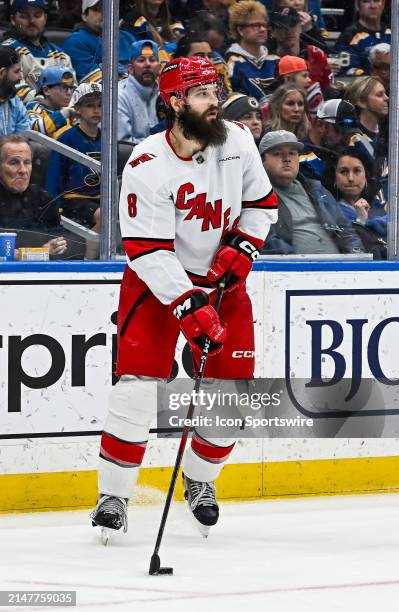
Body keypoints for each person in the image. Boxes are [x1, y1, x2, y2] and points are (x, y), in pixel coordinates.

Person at [90, 56, 278, 535]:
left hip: (222, 283)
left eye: (215, 91)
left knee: (232, 397)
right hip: (156, 287)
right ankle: (112, 496)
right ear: (175, 102)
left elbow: (261, 206)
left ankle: (198, 481)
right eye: (201, 94)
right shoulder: (147, 163)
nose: (214, 102)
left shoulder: (236, 140)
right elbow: (146, 250)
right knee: (136, 390)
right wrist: (189, 304)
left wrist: (242, 249)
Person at [260, 129, 364, 254]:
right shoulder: (257, 197)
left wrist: (357, 257)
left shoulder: (317, 189)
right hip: (293, 270)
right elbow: (268, 243)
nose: (287, 159)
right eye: (277, 154)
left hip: (340, 268)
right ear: (262, 161)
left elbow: (346, 231)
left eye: (292, 153)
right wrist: (297, 265)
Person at [0, 134, 68, 257]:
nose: (23, 170)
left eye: (27, 162)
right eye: (14, 162)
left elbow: (60, 242)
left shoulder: (43, 198)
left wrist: (56, 246)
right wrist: (40, 253)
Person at [46, 83, 101, 234]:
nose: (96, 110)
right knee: (104, 217)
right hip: (74, 200)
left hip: (102, 199)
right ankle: (90, 258)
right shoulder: (66, 139)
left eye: (100, 105)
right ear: (77, 109)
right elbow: (54, 178)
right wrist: (54, 208)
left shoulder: (108, 139)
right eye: (89, 105)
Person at [1, 0, 74, 95]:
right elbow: (14, 91)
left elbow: (73, 91)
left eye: (37, 15)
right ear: (13, 20)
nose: (32, 21)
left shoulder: (61, 55)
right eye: (24, 16)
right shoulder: (6, 52)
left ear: (45, 18)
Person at [63, 0, 137, 84]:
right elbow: (94, 84)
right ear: (84, 16)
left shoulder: (128, 38)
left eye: (108, 8)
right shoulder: (75, 42)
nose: (104, 12)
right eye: (97, 9)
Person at [333, 0, 399, 76]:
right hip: (364, 85)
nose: (373, 6)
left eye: (376, 1)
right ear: (358, 6)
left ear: (383, 5)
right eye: (366, 1)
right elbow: (347, 71)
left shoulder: (395, 33)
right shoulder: (348, 36)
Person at [226, 0, 279, 99]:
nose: (263, 29)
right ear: (240, 30)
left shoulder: (276, 60)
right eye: (256, 25)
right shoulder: (231, 64)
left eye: (264, 25)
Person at [117, 40, 160, 144]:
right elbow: (123, 145)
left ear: (159, 68)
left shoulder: (164, 95)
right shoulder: (118, 96)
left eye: (152, 60)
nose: (148, 65)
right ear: (130, 69)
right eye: (141, 60)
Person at [26, 65, 76, 138]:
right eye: (64, 87)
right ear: (46, 90)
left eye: (71, 88)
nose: (69, 92)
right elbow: (34, 129)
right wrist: (65, 113)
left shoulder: (66, 112)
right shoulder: (33, 107)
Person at [0, 45, 30, 135]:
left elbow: (23, 136)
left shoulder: (15, 100)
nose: (20, 77)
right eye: (16, 72)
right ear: (2, 72)